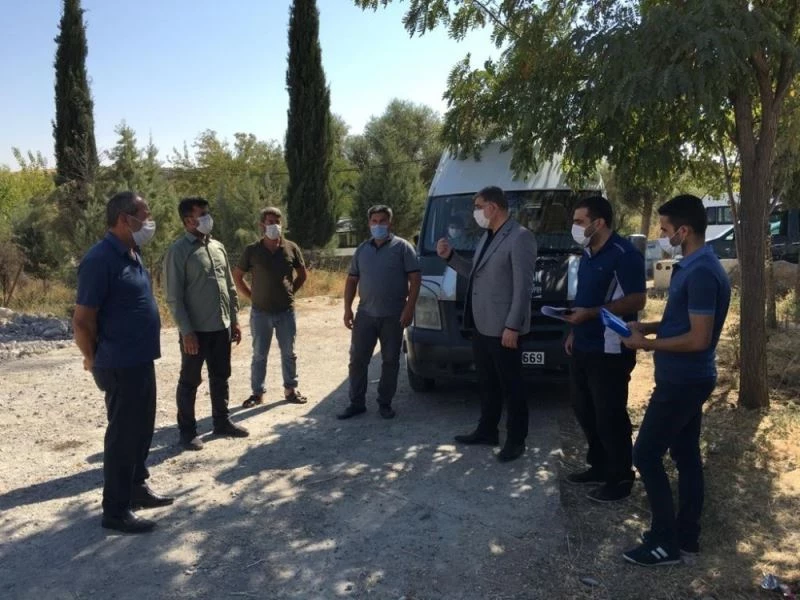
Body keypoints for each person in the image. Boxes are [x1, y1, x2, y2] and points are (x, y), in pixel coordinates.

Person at [620, 194, 731, 567]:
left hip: (684, 381)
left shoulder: (701, 272)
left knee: (645, 454)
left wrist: (647, 344)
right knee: (685, 454)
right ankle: (686, 536)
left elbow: (699, 338)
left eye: (666, 229)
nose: (662, 235)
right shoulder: (693, 266)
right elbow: (682, 322)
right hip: (684, 378)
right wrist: (648, 326)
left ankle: (664, 542)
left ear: (684, 231)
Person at [73, 191, 174, 534]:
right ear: (123, 219)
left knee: (142, 429)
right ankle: (115, 510)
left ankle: (136, 487)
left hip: (140, 359)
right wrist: (93, 359)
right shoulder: (99, 259)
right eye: (144, 215)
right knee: (123, 435)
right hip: (119, 363)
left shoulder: (133, 251)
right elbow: (83, 321)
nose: (149, 221)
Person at [437, 186, 537, 462]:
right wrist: (450, 258)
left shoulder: (520, 237)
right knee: (487, 382)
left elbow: (523, 288)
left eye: (479, 206)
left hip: (504, 327)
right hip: (482, 325)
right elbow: (475, 273)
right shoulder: (488, 236)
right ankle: (487, 430)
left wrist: (513, 326)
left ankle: (516, 440)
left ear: (493, 207)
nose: (476, 212)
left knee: (512, 386)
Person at [563, 196, 647, 502]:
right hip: (583, 343)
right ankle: (598, 466)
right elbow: (584, 297)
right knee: (583, 407)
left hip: (610, 348)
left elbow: (637, 299)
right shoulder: (587, 253)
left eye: (579, 221)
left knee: (609, 414)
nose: (575, 227)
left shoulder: (625, 254)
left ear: (598, 223)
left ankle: (620, 477)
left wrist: (591, 314)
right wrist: (574, 329)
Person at [163, 197, 249, 451]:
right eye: (202, 214)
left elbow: (229, 288)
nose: (207, 218)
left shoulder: (217, 247)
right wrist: (186, 332)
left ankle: (222, 422)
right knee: (190, 381)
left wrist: (234, 320)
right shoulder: (178, 251)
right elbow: (174, 297)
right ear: (188, 220)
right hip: (196, 331)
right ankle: (187, 432)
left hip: (221, 326)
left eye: (206, 213)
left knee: (221, 376)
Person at [339, 205, 421, 420]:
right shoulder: (362, 250)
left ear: (390, 223)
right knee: (357, 360)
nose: (378, 225)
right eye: (374, 221)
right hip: (365, 314)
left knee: (390, 360)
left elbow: (415, 279)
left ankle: (385, 403)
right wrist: (347, 309)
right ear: (369, 224)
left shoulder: (403, 248)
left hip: (394, 315)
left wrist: (409, 308)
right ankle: (356, 403)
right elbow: (352, 280)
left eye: (382, 221)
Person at [233, 207, 308, 408]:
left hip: (286, 312)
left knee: (289, 353)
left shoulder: (291, 248)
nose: (274, 225)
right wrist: (252, 296)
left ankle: (290, 390)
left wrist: (290, 291)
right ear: (262, 225)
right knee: (259, 354)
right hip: (260, 313)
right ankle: (257, 394)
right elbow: (238, 276)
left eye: (277, 221)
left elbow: (302, 275)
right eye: (269, 222)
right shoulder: (252, 250)